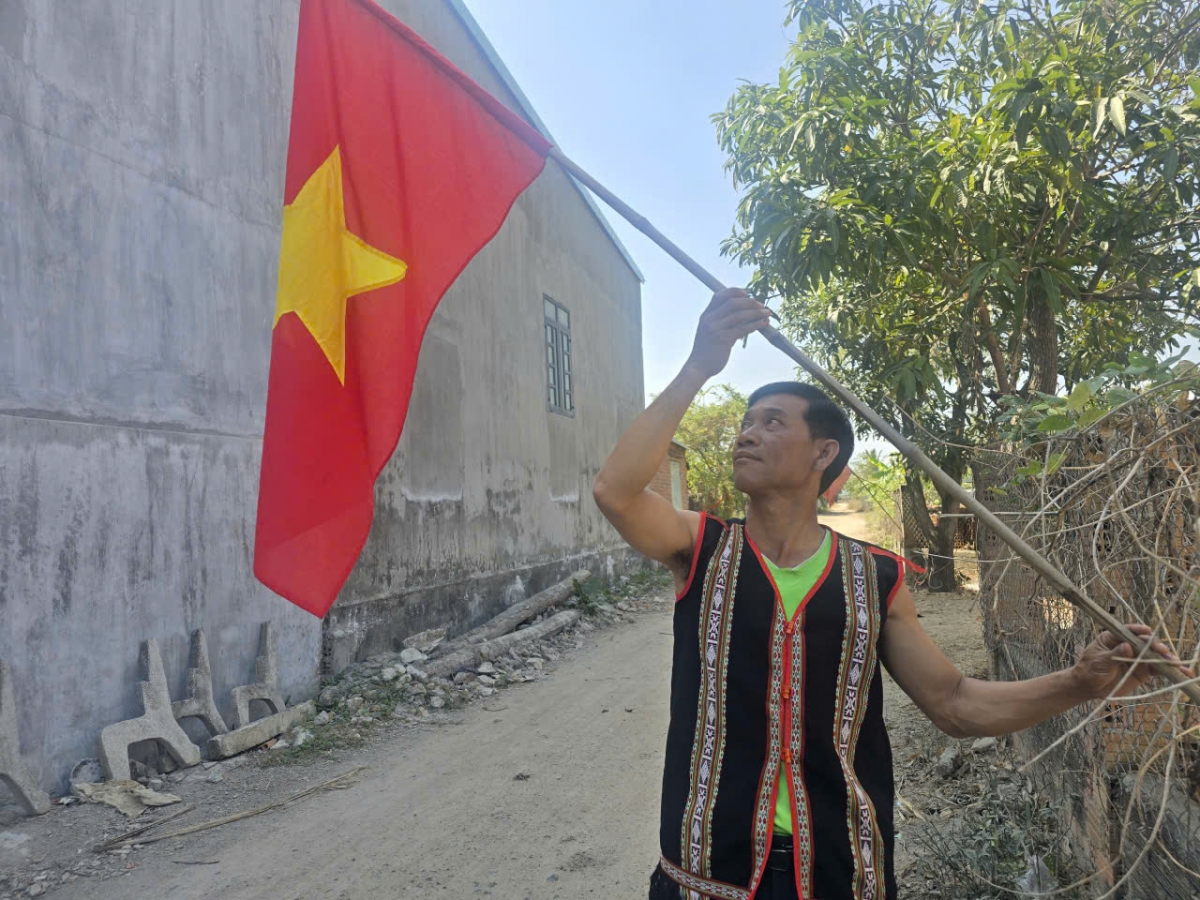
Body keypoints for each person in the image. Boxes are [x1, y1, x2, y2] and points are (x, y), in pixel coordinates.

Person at [592, 288, 1182, 900]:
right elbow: (616, 491)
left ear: (823, 453)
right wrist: (700, 365)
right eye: (746, 424)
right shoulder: (703, 548)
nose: (747, 435)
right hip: (707, 871)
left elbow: (954, 704)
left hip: (841, 871)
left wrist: (1080, 683)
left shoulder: (875, 578)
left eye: (772, 423)